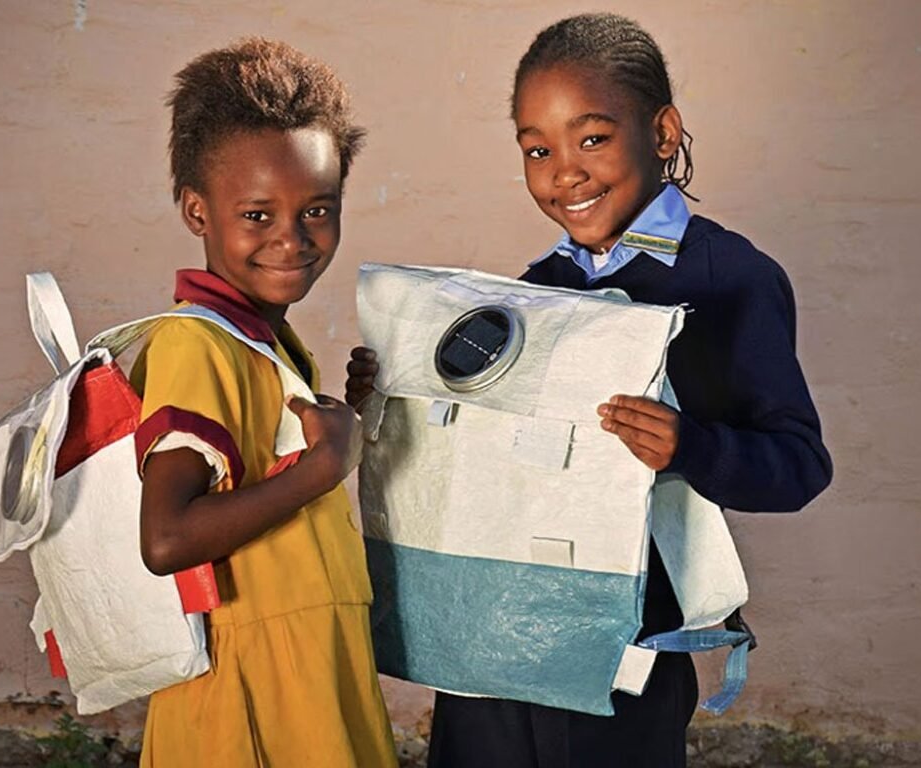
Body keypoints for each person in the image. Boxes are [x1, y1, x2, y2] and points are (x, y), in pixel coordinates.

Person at [345, 12, 832, 768]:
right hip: (492, 631)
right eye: (537, 149)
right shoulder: (539, 288)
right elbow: (496, 457)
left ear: (663, 133)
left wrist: (689, 445)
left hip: (624, 650)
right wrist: (399, 390)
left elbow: (798, 466)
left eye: (592, 138)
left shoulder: (732, 280)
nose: (563, 171)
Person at [132, 38, 397, 767]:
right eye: (257, 215)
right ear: (197, 211)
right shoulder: (194, 345)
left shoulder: (264, 341)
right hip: (250, 693)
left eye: (318, 208)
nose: (292, 239)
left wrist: (351, 417)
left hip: (307, 668)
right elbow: (168, 538)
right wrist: (321, 468)